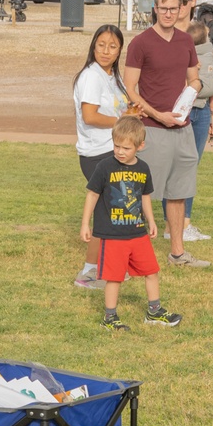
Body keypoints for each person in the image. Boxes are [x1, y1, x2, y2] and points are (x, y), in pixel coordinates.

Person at [124, 0, 209, 268]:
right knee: (142, 195)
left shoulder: (186, 41)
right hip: (152, 130)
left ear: (182, 8)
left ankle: (177, 254)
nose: (169, 14)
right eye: (164, 8)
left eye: (174, 8)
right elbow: (130, 89)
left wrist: (192, 90)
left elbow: (194, 78)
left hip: (182, 130)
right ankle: (129, 256)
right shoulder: (141, 43)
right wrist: (158, 115)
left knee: (179, 193)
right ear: (155, 8)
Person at [81, 116, 182, 331]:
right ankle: (110, 318)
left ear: (140, 146)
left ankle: (154, 312)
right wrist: (85, 224)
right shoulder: (104, 167)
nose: (120, 151)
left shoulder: (143, 168)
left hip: (138, 233)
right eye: (116, 146)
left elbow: (145, 196)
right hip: (113, 235)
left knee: (151, 271)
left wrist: (151, 221)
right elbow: (92, 195)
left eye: (126, 148)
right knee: (114, 278)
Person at [72, 24, 134, 289]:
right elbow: (90, 116)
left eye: (112, 46)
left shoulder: (111, 76)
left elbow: (120, 108)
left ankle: (110, 265)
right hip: (96, 154)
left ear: (120, 50)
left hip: (111, 150)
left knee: (115, 209)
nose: (106, 51)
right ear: (93, 46)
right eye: (101, 45)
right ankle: (89, 273)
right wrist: (123, 119)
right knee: (105, 212)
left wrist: (132, 112)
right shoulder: (91, 76)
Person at [164, 21, 213, 243]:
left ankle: (184, 222)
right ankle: (172, 224)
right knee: (178, 167)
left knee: (191, 167)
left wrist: (212, 113)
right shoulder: (179, 48)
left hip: (202, 111)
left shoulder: (206, 54)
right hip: (184, 112)